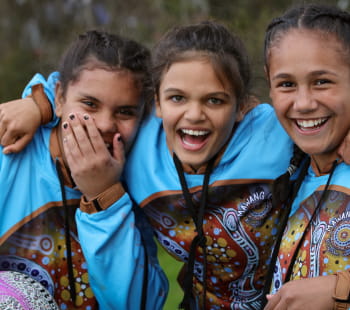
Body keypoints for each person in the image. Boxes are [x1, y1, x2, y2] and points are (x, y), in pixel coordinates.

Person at [1, 20, 350, 310]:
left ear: (243, 106)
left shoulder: (274, 132)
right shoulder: (137, 147)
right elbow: (92, 86)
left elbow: (311, 107)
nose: (194, 114)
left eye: (215, 100)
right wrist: (39, 101)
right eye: (177, 97)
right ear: (157, 104)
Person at [0, 30, 168, 309]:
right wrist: (37, 101)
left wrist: (104, 196)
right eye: (90, 104)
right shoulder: (10, 155)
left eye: (125, 112)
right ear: (60, 97)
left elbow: (140, 304)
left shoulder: (136, 179)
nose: (104, 124)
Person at [261, 3, 350, 310]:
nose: (303, 103)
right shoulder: (290, 168)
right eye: (286, 84)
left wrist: (340, 290)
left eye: (322, 81)